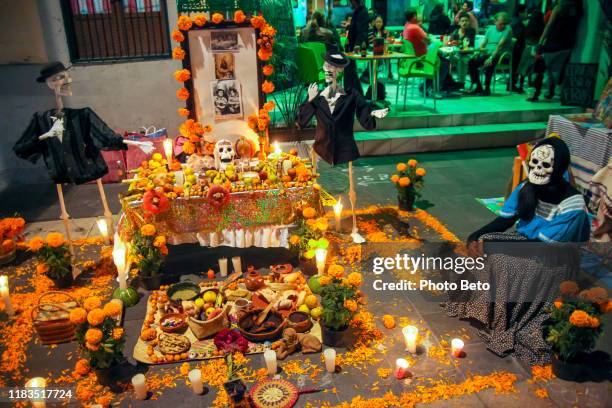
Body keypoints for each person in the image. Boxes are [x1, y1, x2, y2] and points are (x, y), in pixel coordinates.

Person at [446, 137, 589, 365]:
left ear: (558, 167)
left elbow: (543, 248)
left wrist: (492, 246)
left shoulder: (573, 203)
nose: (537, 170)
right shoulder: (526, 187)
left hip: (553, 258)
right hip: (526, 241)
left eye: (544, 166)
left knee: (501, 261)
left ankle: (505, 321)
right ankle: (484, 310)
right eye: (534, 163)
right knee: (482, 246)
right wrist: (475, 236)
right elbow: (504, 221)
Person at [527, 0, 583, 102]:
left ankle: (535, 94)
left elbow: (549, 26)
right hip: (568, 44)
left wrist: (540, 42)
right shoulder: (578, 8)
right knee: (555, 70)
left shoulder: (559, 8)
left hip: (553, 43)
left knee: (540, 68)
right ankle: (550, 91)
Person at [467, 11, 512, 96]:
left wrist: (491, 58)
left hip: (501, 54)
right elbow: (484, 43)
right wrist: (477, 51)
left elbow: (499, 46)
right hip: (487, 53)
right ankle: (478, 87)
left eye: (504, 24)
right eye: (501, 23)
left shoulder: (508, 29)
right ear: (495, 21)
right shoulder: (490, 29)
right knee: (471, 62)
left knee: (489, 63)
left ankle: (487, 89)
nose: (503, 26)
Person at [514, 2, 545, 93]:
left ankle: (520, 85)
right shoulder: (541, 28)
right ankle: (532, 85)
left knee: (523, 67)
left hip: (527, 48)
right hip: (535, 49)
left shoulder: (528, 26)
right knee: (533, 68)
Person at [344, 0, 369, 95]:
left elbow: (362, 30)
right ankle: (355, 94)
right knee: (350, 69)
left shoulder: (362, 12)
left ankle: (355, 94)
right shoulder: (358, 11)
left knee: (349, 69)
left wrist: (358, 44)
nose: (349, 3)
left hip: (356, 45)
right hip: (353, 45)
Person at [449, 12, 476, 85]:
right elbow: (450, 43)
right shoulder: (455, 31)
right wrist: (450, 43)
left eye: (466, 21)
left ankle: (461, 83)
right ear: (459, 23)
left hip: (468, 54)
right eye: (462, 21)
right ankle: (448, 82)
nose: (464, 23)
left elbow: (468, 43)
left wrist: (457, 43)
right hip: (457, 53)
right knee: (446, 60)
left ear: (469, 22)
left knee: (461, 60)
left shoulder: (471, 31)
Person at [510, 5, 528, 91]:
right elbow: (515, 38)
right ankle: (512, 85)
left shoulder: (513, 21)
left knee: (514, 67)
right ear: (520, 13)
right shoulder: (518, 24)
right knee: (515, 67)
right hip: (516, 49)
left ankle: (511, 84)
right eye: (525, 12)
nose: (526, 14)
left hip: (514, 49)